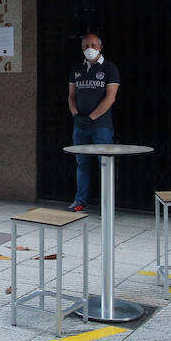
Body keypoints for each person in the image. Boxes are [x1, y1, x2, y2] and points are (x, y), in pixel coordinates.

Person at [67, 33, 119, 213]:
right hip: (80, 127)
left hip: (101, 127)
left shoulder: (110, 69)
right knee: (82, 164)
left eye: (94, 45)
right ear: (82, 48)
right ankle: (80, 201)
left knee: (104, 165)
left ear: (100, 47)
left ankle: (107, 205)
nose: (90, 48)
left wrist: (92, 117)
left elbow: (110, 98)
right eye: (86, 45)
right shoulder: (76, 70)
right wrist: (76, 115)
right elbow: (71, 96)